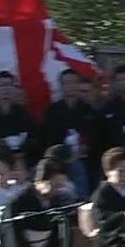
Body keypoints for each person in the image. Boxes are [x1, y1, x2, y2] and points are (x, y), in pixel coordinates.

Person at [0, 157, 75, 247]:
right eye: (55, 185)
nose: (58, 190)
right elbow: (12, 237)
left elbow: (63, 230)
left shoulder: (56, 201)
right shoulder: (17, 203)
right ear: (40, 181)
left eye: (61, 186)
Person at [39, 69, 97, 198]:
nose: (70, 86)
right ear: (61, 85)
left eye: (73, 82)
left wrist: (86, 146)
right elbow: (47, 138)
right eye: (66, 83)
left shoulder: (88, 110)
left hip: (84, 159)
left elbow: (96, 135)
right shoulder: (53, 111)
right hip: (59, 160)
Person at [0, 71, 39, 166]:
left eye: (9, 85)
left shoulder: (23, 113)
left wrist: (21, 153)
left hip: (21, 160)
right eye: (2, 85)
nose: (6, 89)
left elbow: (33, 138)